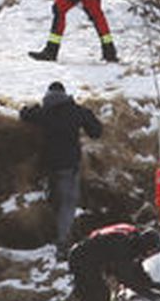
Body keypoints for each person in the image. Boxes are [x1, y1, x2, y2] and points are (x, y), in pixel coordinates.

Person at [20, 81, 105, 248]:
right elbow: (96, 132)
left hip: (47, 165)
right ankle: (62, 242)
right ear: (65, 94)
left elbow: (24, 114)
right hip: (69, 165)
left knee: (53, 201)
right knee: (68, 203)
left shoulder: (44, 112)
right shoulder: (75, 111)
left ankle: (49, 237)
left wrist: (31, 108)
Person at [66, 223, 160, 301]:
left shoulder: (131, 239)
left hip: (92, 256)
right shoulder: (122, 244)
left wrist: (152, 285)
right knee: (100, 294)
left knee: (101, 292)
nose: (148, 255)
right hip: (81, 258)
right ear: (143, 245)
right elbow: (125, 276)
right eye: (149, 251)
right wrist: (147, 292)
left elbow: (137, 270)